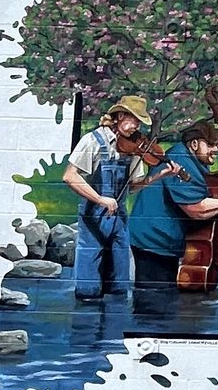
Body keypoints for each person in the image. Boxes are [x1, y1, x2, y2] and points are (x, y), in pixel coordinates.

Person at [62, 94, 176, 301]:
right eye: (134, 120)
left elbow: (132, 186)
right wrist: (100, 199)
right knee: (88, 288)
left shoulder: (132, 149)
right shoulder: (92, 141)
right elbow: (69, 176)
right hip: (93, 218)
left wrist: (160, 174)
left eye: (139, 122)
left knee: (119, 285)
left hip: (119, 218)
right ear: (120, 116)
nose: (136, 127)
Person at [127, 116, 218, 286]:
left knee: (163, 298)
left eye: (217, 145)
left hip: (158, 239)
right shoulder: (181, 163)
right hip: (153, 241)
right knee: (155, 297)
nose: (215, 149)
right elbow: (195, 209)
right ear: (194, 144)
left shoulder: (187, 157)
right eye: (210, 145)